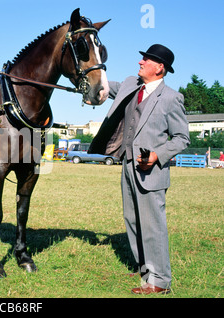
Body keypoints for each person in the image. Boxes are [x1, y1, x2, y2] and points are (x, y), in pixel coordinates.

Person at [88, 44, 190, 294]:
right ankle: (145, 268)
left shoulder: (171, 98)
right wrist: (84, 78)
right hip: (127, 165)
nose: (140, 62)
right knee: (132, 220)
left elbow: (182, 138)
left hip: (151, 171)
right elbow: (100, 85)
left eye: (146, 60)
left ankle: (160, 281)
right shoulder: (130, 84)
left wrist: (157, 155)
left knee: (153, 225)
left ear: (160, 68)